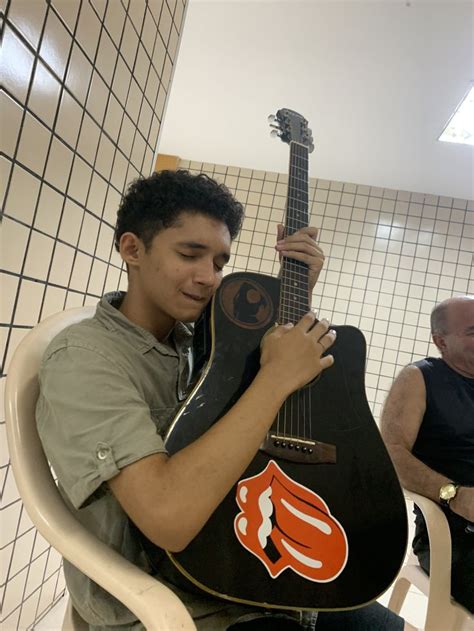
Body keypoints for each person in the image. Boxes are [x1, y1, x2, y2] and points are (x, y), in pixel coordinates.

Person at [37, 170, 410, 630]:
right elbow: (168, 518)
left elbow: (245, 404)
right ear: (132, 249)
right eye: (190, 254)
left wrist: (294, 294)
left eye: (219, 262)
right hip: (179, 605)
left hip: (253, 568)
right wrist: (274, 378)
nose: (209, 277)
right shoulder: (86, 359)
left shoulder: (197, 339)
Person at [381, 295, 474, 613]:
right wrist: (454, 494)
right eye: (473, 331)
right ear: (441, 340)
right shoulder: (420, 378)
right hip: (454, 535)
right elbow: (392, 454)